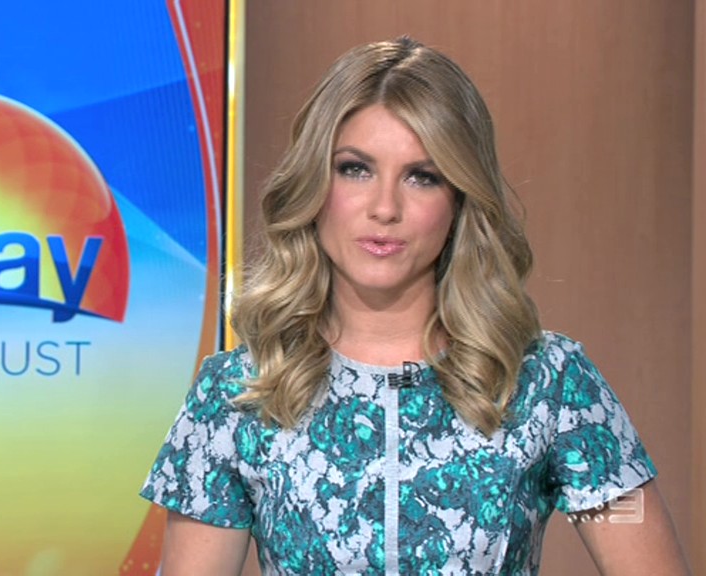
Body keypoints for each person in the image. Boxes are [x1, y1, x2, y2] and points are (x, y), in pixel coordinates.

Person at [139, 37, 689, 575]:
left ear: (459, 199)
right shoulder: (237, 393)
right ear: (313, 183)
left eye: (422, 177)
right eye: (355, 169)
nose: (385, 207)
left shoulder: (549, 382)